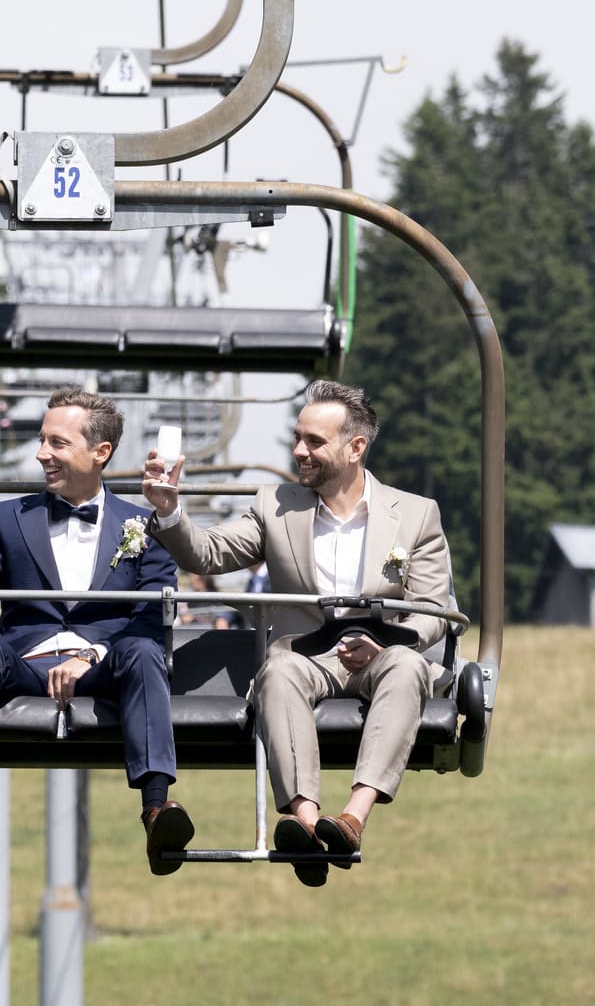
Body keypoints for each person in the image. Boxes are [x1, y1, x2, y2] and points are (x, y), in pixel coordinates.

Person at [141, 380, 452, 887]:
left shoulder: (414, 515)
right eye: (298, 438)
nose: (299, 451)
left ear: (356, 448)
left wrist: (389, 642)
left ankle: (352, 816)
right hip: (306, 654)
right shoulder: (276, 506)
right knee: (278, 670)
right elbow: (211, 554)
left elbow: (432, 609)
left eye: (314, 441)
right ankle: (306, 821)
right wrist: (169, 510)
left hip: (381, 652)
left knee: (407, 665)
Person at [0, 389, 195, 876]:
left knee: (146, 651)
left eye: (57, 443)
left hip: (107, 662)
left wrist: (90, 655)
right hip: (24, 659)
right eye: (42, 441)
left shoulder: (145, 526)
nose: (41, 454)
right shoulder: (7, 518)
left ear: (100, 453)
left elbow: (152, 609)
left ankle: (157, 813)